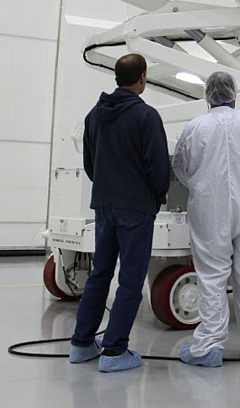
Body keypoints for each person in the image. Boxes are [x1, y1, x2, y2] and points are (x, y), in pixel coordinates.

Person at [69, 54, 171, 372]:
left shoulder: (93, 116)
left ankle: (81, 344)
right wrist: (155, 199)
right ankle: (114, 351)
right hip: (136, 208)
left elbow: (89, 162)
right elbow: (158, 167)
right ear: (142, 77)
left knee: (100, 274)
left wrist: (106, 189)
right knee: (130, 280)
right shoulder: (146, 116)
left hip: (104, 205)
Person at [172, 71, 240, 367]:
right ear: (234, 94)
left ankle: (209, 346)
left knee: (212, 276)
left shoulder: (195, 126)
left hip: (209, 209)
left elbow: (180, 166)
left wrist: (200, 185)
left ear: (207, 96)